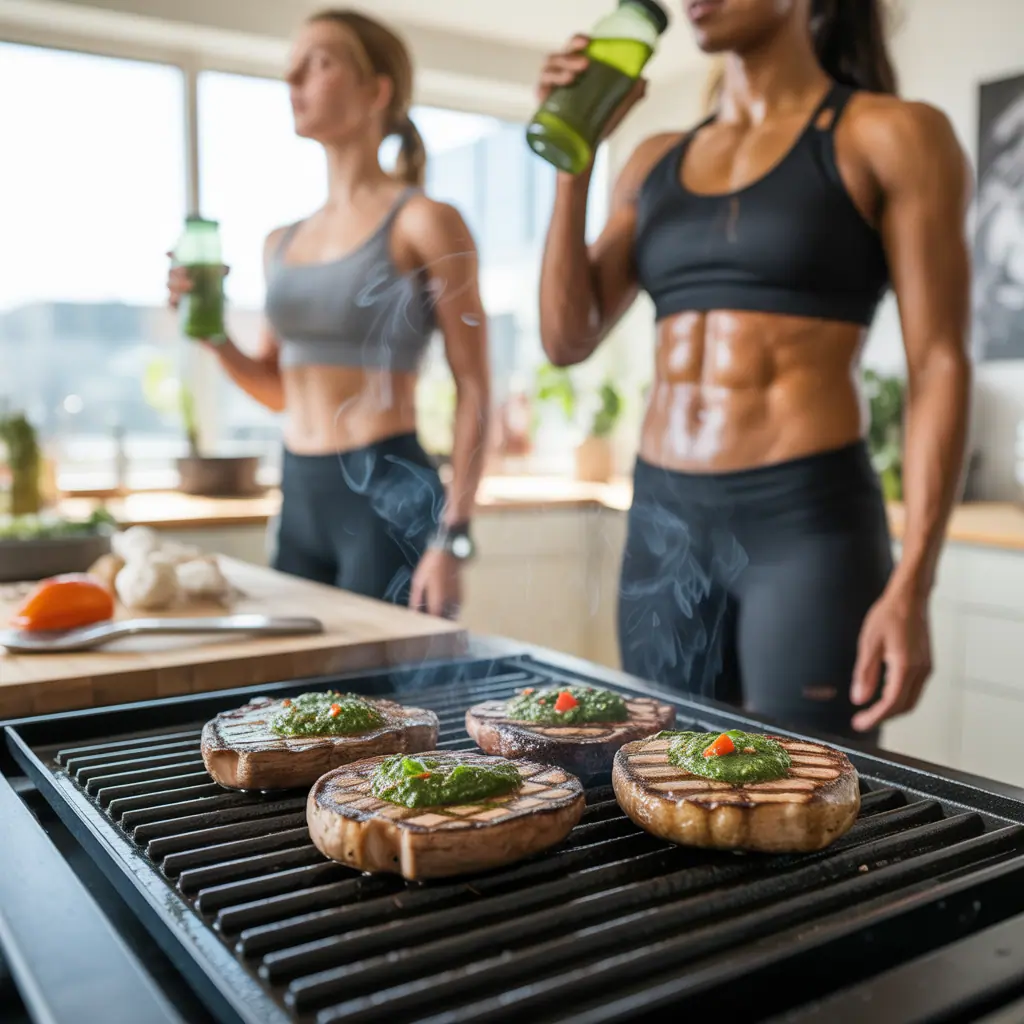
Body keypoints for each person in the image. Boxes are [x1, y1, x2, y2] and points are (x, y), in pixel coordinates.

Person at [537, 0, 971, 740]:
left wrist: (914, 583)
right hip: (664, 520)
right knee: (655, 780)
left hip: (804, 524)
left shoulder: (890, 134)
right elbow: (566, 336)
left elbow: (939, 363)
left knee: (800, 798)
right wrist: (574, 155)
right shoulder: (653, 160)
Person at [168, 9, 490, 618]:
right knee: (293, 705)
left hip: (386, 491)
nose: (292, 76)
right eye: (292, 63)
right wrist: (213, 337)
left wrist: (453, 536)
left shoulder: (425, 221)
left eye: (318, 61)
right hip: (300, 492)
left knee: (384, 708)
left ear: (376, 91)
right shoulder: (281, 243)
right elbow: (278, 388)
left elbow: (475, 386)